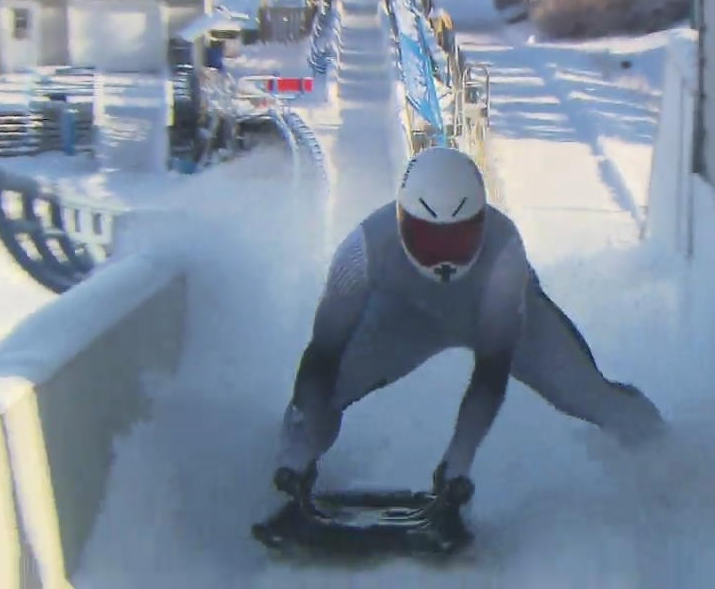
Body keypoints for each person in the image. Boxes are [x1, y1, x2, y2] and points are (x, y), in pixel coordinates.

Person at [273, 147, 666, 504]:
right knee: (324, 395)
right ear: (400, 221)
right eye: (428, 239)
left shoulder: (505, 253)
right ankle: (291, 463)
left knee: (588, 395)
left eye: (458, 239)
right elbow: (323, 355)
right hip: (404, 318)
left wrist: (458, 462)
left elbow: (490, 373)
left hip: (504, 316)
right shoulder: (360, 252)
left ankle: (670, 456)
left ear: (481, 222)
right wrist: (298, 454)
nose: (443, 259)